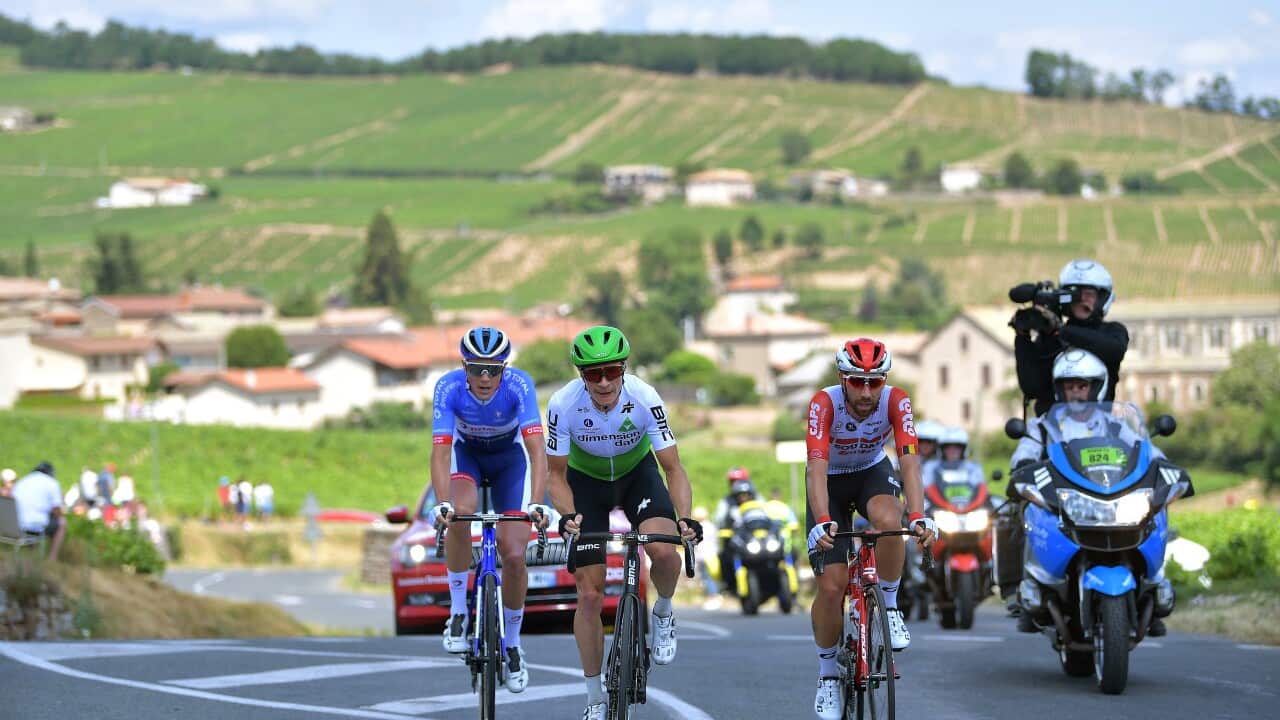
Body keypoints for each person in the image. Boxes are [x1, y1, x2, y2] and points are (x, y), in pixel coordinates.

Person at [544, 325, 701, 720]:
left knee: (665, 551)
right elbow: (556, 477)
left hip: (637, 476)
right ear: (580, 375)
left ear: (624, 369)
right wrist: (567, 517)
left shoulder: (645, 397)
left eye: (611, 371)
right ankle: (594, 697)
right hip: (586, 484)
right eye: (592, 374)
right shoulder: (563, 404)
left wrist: (685, 518)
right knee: (590, 596)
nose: (602, 382)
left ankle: (663, 610)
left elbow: (674, 468)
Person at [805, 338, 936, 720]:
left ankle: (890, 606)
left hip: (871, 473)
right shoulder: (823, 403)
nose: (866, 391)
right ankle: (828, 674)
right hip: (828, 479)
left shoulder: (897, 401)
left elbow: (909, 461)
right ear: (842, 379)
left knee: (890, 521)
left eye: (874, 382)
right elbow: (815, 467)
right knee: (831, 586)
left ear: (884, 381)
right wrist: (822, 518)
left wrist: (919, 515)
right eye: (857, 382)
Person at [429, 326, 549, 694]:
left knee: (514, 556)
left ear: (504, 368)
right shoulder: (447, 387)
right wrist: (442, 502)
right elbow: (440, 451)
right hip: (468, 458)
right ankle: (458, 613)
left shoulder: (519, 385)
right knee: (460, 515)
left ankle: (512, 644)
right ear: (463, 366)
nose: (485, 377)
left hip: (509, 462)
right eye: (477, 368)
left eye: (494, 369)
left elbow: (537, 450)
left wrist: (537, 502)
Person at [1013, 259, 1129, 417]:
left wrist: (1061, 330)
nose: (1082, 300)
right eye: (1074, 295)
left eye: (1089, 294)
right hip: (1054, 433)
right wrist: (1022, 339)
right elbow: (1032, 387)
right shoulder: (1051, 337)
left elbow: (1113, 350)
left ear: (1102, 298)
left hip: (1099, 431)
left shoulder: (1112, 331)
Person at [12, 462, 65, 561]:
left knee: (35, 520)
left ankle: (30, 555)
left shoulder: (23, 481)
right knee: (61, 523)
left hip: (12, 524)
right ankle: (52, 559)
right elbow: (57, 510)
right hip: (33, 526)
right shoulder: (52, 483)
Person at [713, 467, 755, 593]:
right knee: (725, 556)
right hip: (736, 537)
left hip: (754, 536)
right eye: (733, 482)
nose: (736, 484)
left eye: (740, 480)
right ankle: (728, 583)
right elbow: (719, 518)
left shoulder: (756, 497)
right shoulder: (726, 501)